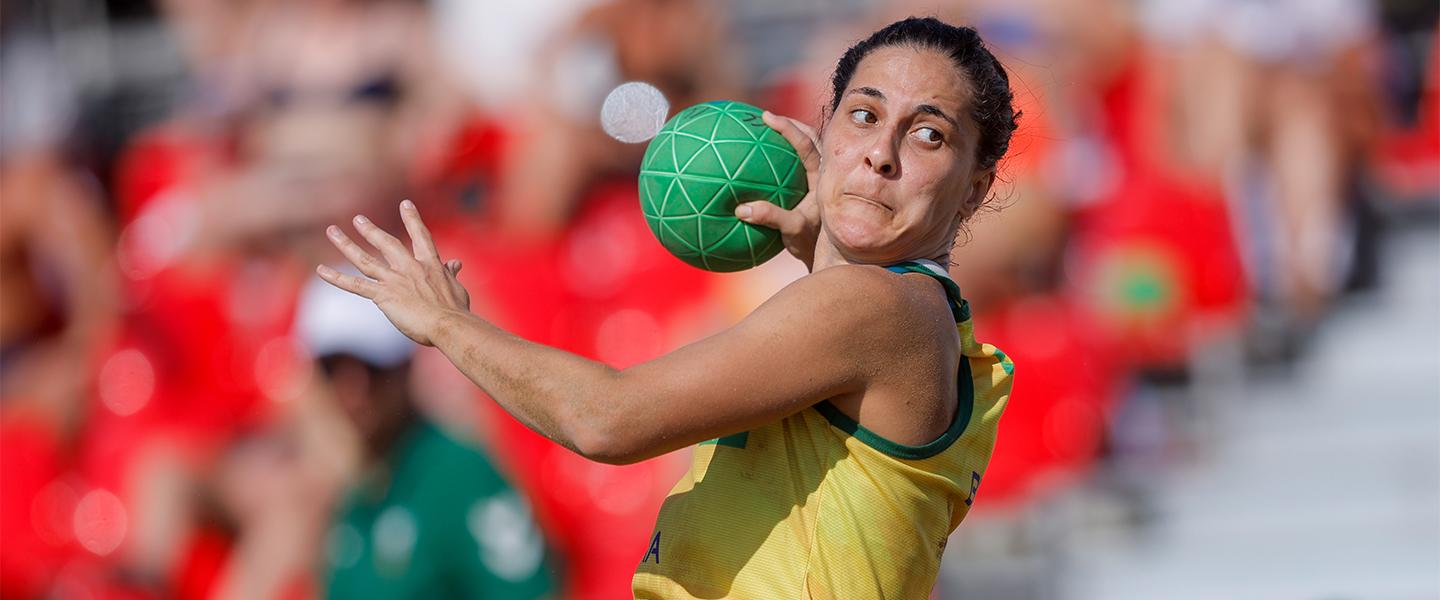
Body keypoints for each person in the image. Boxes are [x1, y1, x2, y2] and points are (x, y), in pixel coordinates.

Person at [317, 16, 1017, 598]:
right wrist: (819, 254)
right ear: (826, 131)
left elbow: (607, 420)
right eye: (863, 117)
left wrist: (446, 323)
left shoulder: (878, 307)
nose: (880, 155)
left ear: (976, 188)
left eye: (930, 134)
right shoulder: (893, 311)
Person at [295, 277, 557, 599]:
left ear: (404, 365)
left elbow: (528, 592)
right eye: (333, 369)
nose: (354, 392)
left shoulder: (458, 472)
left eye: (371, 367)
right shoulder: (348, 493)